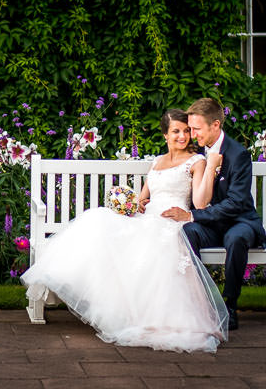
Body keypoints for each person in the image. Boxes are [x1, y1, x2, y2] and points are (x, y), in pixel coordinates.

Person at [20, 109, 229, 353]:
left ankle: (148, 317)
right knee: (98, 219)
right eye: (175, 131)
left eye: (185, 131)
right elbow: (142, 199)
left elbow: (201, 203)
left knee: (147, 244)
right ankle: (115, 307)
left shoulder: (197, 161)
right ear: (165, 135)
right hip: (147, 218)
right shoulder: (157, 162)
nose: (182, 136)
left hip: (171, 222)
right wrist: (132, 205)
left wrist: (212, 168)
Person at [161, 97, 266, 330]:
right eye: (190, 128)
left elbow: (236, 202)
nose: (191, 134)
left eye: (196, 129)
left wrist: (193, 215)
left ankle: (230, 304)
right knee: (188, 233)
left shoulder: (238, 154)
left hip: (238, 221)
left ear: (215, 125)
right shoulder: (194, 151)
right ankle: (206, 301)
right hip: (210, 226)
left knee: (237, 238)